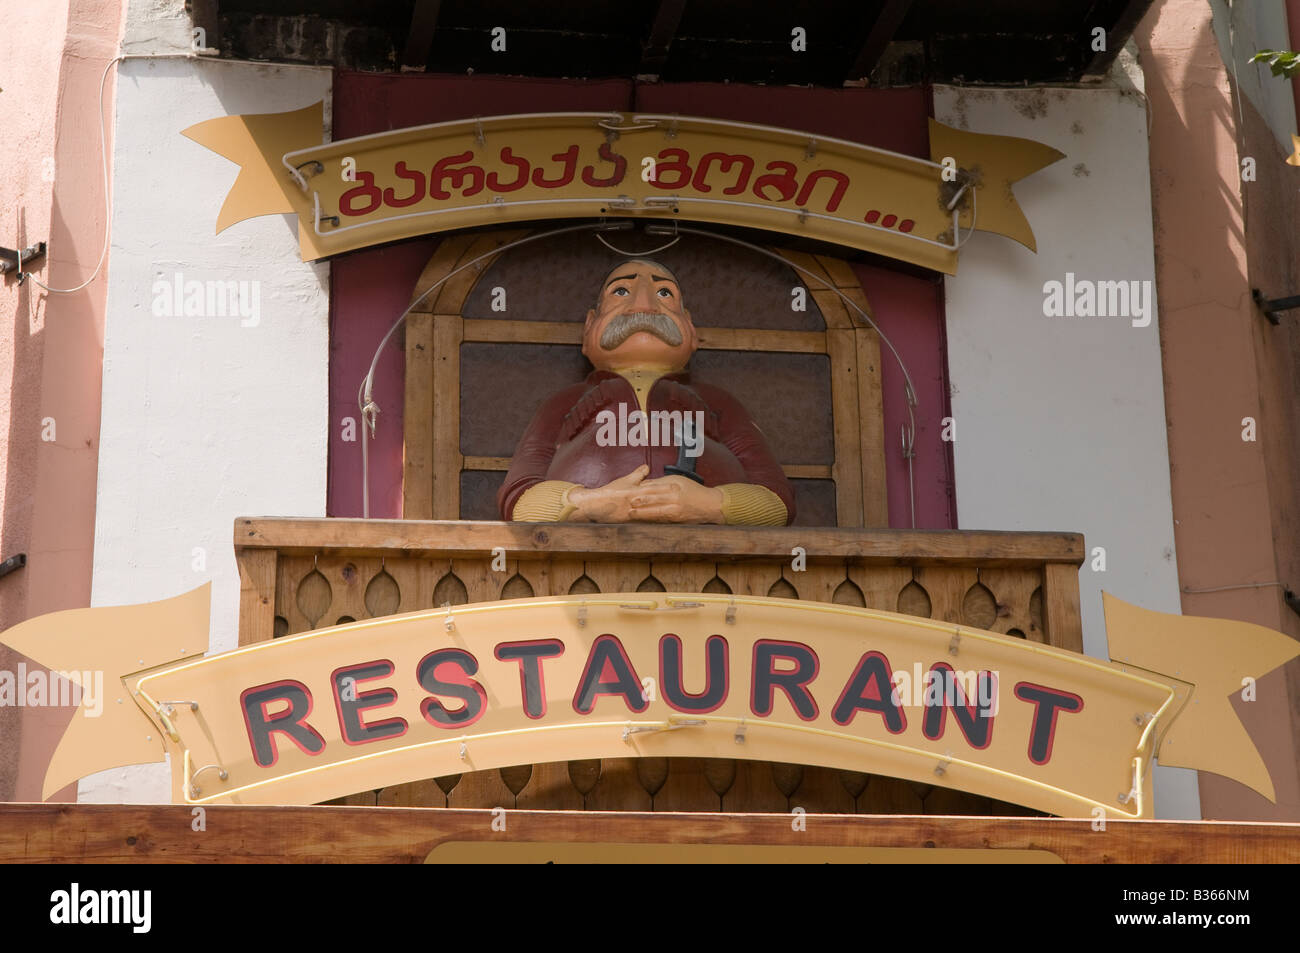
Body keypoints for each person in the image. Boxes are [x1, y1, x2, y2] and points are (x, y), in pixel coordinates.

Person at [498, 258, 795, 525]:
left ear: (691, 330)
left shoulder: (719, 402)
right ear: (589, 328)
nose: (644, 306)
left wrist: (712, 504)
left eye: (665, 294)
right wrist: (587, 504)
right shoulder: (564, 403)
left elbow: (778, 501)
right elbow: (517, 499)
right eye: (621, 292)